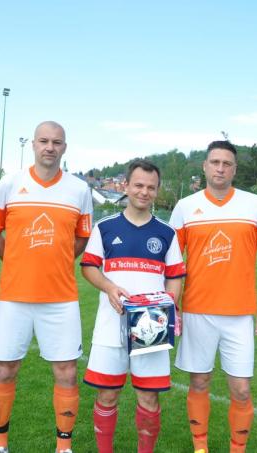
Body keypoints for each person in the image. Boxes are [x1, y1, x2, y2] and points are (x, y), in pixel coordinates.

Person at [0, 121, 93, 453]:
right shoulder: (9, 183)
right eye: (44, 141)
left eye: (56, 142)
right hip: (14, 296)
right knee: (6, 368)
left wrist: (58, 261)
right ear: (33, 144)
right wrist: (15, 260)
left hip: (60, 298)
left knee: (66, 371)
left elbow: (82, 238)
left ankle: (64, 446)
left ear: (64, 147)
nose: (50, 147)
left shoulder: (79, 190)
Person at [169, 140, 257, 453]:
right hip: (196, 310)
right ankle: (200, 448)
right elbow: (173, 260)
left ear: (234, 169)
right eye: (214, 162)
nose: (220, 168)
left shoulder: (254, 204)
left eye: (226, 163)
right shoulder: (185, 207)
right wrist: (170, 302)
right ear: (204, 166)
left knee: (241, 389)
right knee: (199, 382)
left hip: (240, 313)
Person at [80, 160, 186, 453]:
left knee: (149, 399)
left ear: (157, 191)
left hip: (151, 327)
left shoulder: (167, 233)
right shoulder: (105, 228)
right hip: (110, 325)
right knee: (106, 396)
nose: (144, 192)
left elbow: (175, 276)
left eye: (151, 187)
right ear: (126, 186)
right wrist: (110, 288)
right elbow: (89, 268)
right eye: (138, 185)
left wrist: (169, 306)